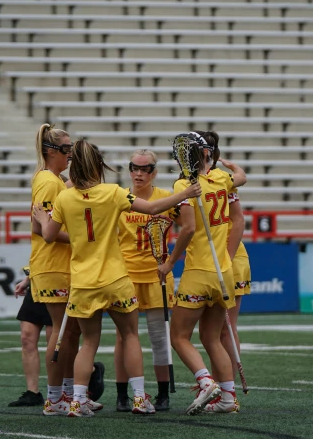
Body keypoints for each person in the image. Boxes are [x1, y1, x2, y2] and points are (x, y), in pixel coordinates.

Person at [33, 140, 201, 417]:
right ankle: (138, 398)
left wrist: (40, 218)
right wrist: (186, 193)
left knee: (88, 343)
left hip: (83, 282)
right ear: (99, 166)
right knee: (131, 335)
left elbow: (49, 236)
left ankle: (76, 401)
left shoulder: (64, 197)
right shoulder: (112, 192)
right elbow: (153, 209)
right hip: (115, 279)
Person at [157, 132, 247, 415]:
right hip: (224, 272)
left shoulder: (185, 184)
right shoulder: (222, 179)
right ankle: (228, 398)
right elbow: (241, 178)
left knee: (179, 336)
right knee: (211, 337)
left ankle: (206, 380)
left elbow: (188, 229)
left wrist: (170, 263)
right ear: (208, 156)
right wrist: (230, 166)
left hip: (198, 271)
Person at [28, 124, 104, 417]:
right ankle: (55, 397)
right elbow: (41, 227)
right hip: (54, 264)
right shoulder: (48, 181)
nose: (71, 154)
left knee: (69, 332)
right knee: (60, 333)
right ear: (51, 151)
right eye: (66, 149)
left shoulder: (55, 180)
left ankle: (69, 394)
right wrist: (82, 238)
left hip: (60, 264)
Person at [114, 149, 177, 412]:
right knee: (123, 337)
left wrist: (170, 261)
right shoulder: (117, 197)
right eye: (134, 168)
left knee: (159, 337)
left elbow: (190, 229)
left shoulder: (166, 198)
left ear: (154, 171)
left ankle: (163, 393)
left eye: (145, 169)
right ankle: (122, 395)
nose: (139, 174)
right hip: (125, 274)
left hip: (156, 274)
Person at [197, 130, 250, 414]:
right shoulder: (215, 179)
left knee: (224, 329)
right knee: (214, 330)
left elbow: (238, 222)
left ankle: (223, 387)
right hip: (216, 261)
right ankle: (222, 385)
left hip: (229, 259)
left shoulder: (220, 181)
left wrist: (226, 258)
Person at [9, 265, 53, 407]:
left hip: (59, 284)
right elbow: (41, 256)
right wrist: (28, 280)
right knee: (27, 338)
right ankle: (32, 392)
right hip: (38, 284)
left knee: (55, 342)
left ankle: (60, 391)